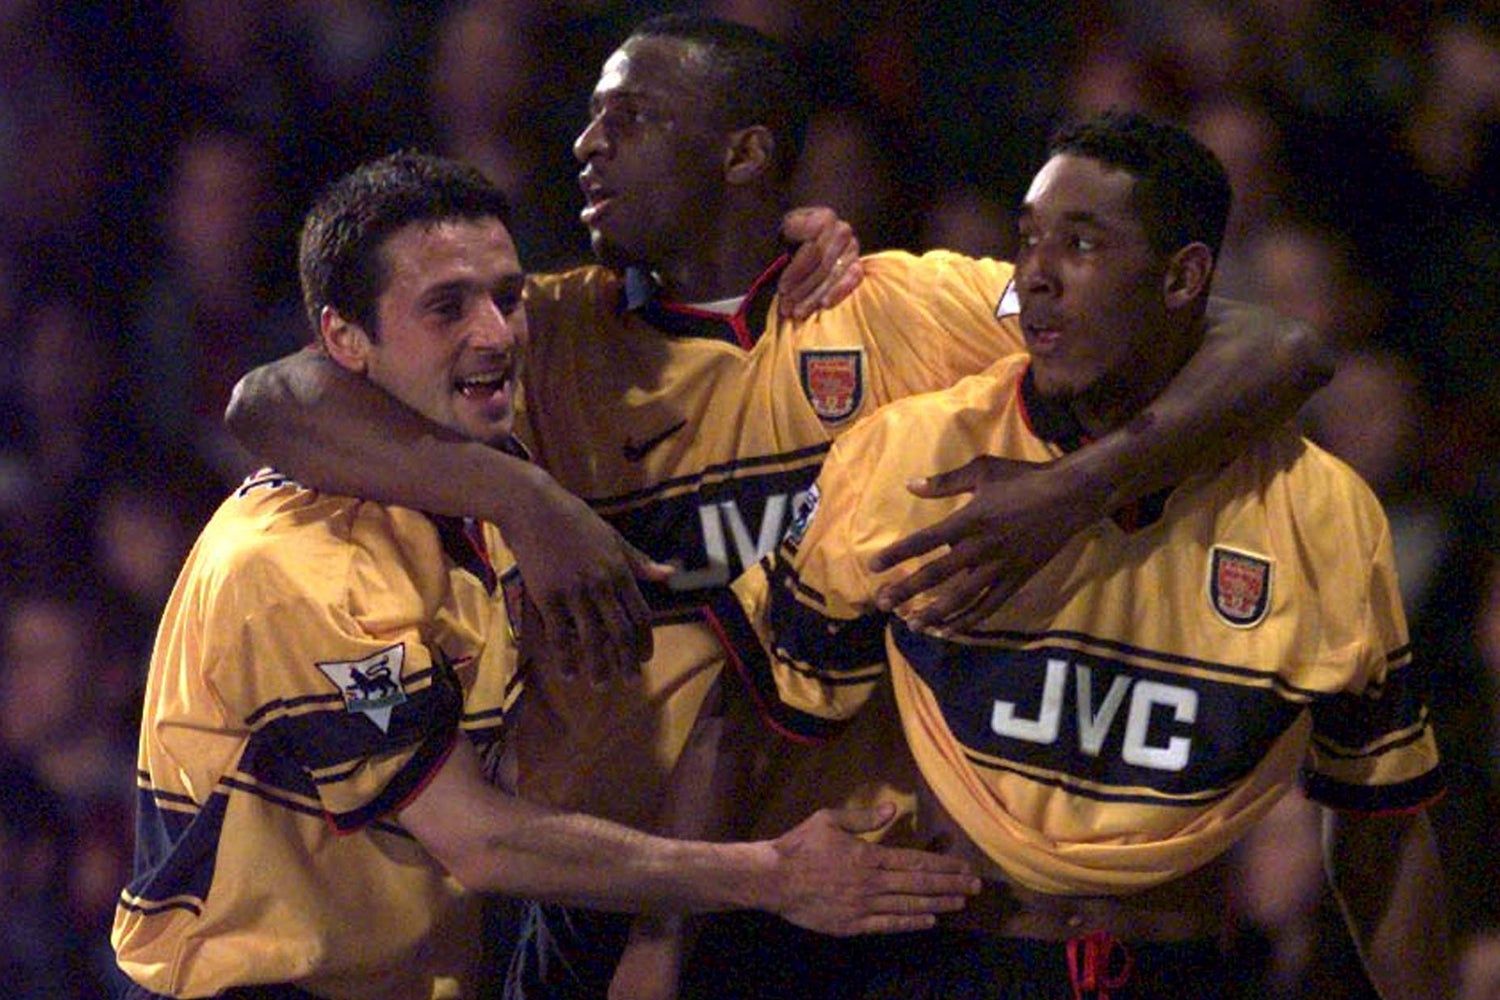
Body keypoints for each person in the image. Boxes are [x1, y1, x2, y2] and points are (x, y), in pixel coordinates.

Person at [224, 16, 1333, 997]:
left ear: (745, 154)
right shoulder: (538, 333)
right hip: (609, 885)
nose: (587, 143)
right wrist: (519, 492)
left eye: (630, 118)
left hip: (871, 886)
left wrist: (1070, 489)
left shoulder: (908, 305)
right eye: (594, 118)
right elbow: (272, 400)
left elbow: (1271, 342)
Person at [110, 151, 981, 1000]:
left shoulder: (479, 480)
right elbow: (478, 841)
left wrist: (767, 245)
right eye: (446, 307)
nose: (495, 333)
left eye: (507, 296)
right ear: (344, 339)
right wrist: (773, 875)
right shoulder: (298, 565)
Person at [714, 111, 1451, 999]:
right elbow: (747, 728)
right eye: (1028, 238)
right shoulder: (913, 451)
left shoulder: (1322, 511)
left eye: (1082, 243)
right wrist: (700, 922)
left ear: (1184, 278)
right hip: (953, 962)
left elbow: (1379, 822)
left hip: (1183, 973)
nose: (1034, 272)